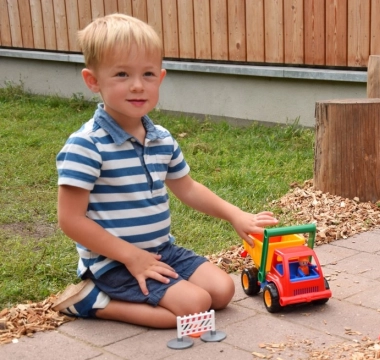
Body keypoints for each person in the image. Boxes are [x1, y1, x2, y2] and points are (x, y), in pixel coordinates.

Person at [53, 13, 278, 328]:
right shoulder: (86, 145)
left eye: (147, 74)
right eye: (121, 74)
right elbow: (71, 220)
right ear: (93, 81)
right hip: (113, 262)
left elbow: (188, 188)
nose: (137, 85)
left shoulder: (160, 138)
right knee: (196, 306)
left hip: (160, 251)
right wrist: (131, 257)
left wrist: (234, 214)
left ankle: (152, 292)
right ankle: (95, 302)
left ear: (160, 78)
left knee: (223, 291)